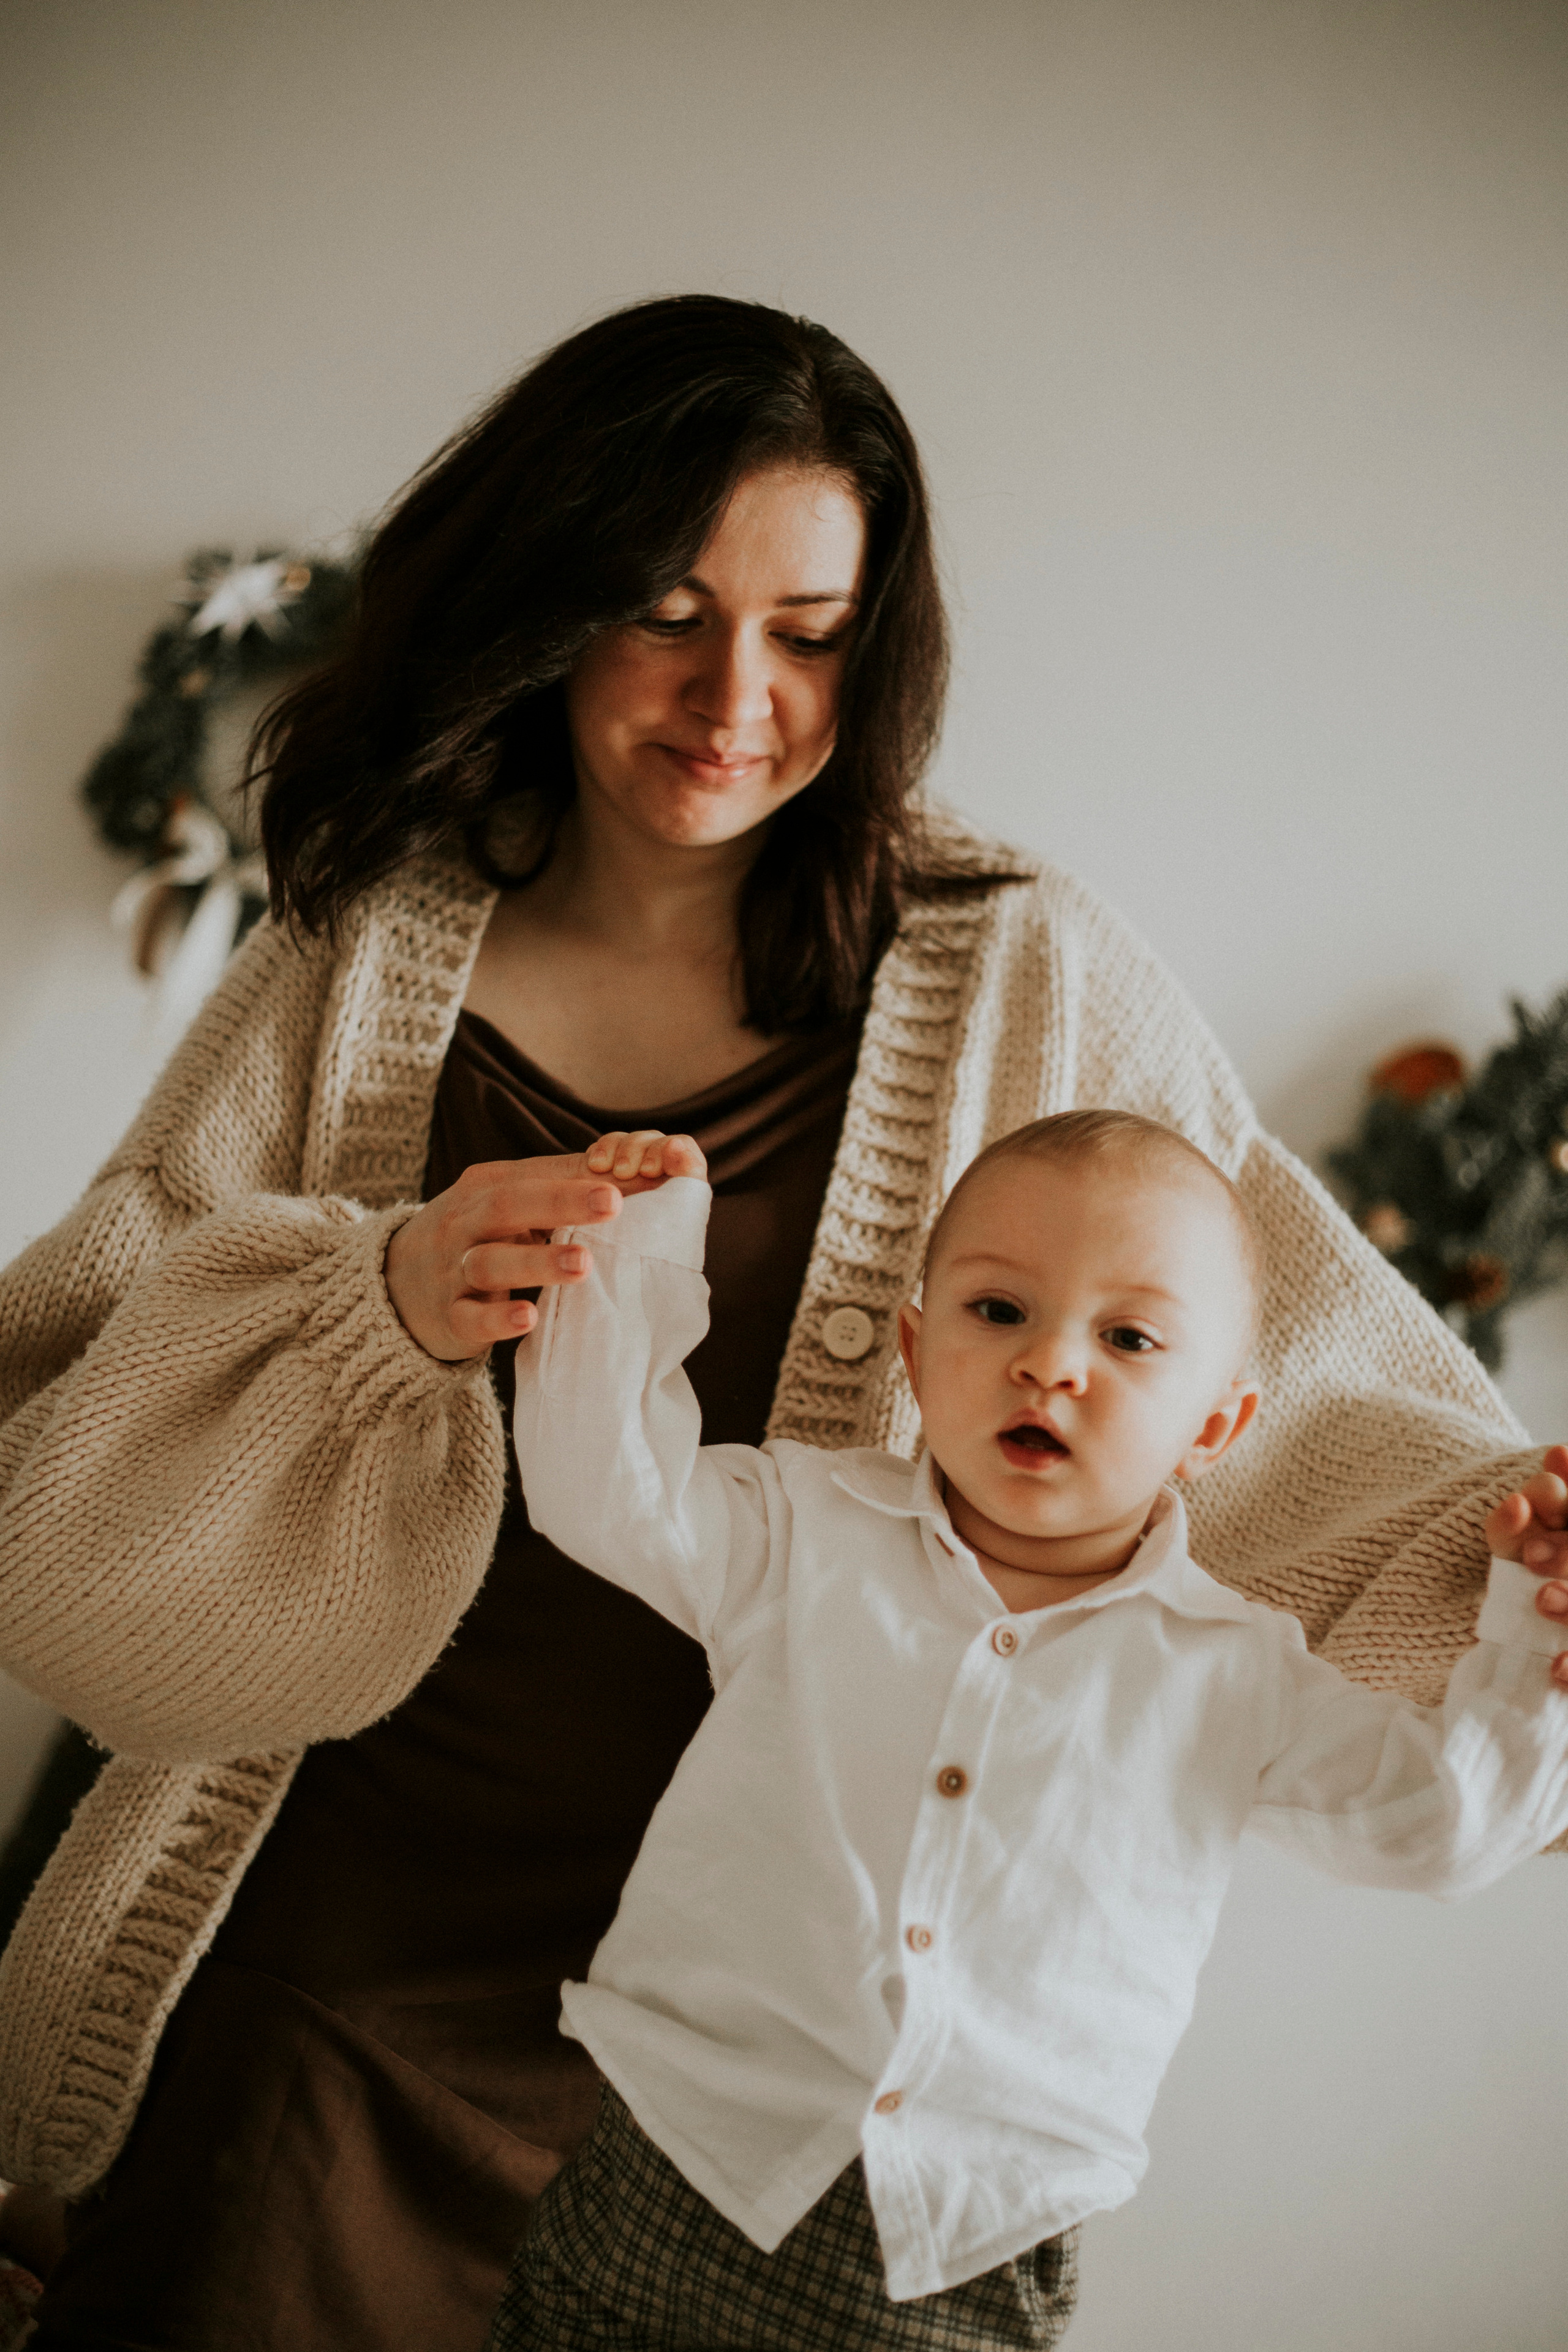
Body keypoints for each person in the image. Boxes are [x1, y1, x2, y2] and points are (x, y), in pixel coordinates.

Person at [0, 293, 1561, 2350]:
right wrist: (371, 1292)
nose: (735, 693)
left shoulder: (1019, 968)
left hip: (775, 2073)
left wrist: (1523, 1570)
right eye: (665, 608)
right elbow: (68, 1420)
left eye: (811, 630)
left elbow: (1303, 1383)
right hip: (331, 1968)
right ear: (547, 601)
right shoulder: (362, 944)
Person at [488, 1110, 1568, 2351]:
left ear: (1212, 1427)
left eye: (1126, 1338)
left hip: (969, 2238)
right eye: (997, 1312)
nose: (1050, 1364)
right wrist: (627, 1249)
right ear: (911, 1344)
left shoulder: (1232, 1668)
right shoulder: (798, 1528)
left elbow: (1439, 1830)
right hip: (684, 2149)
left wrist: (1531, 1631)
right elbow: (599, 1490)